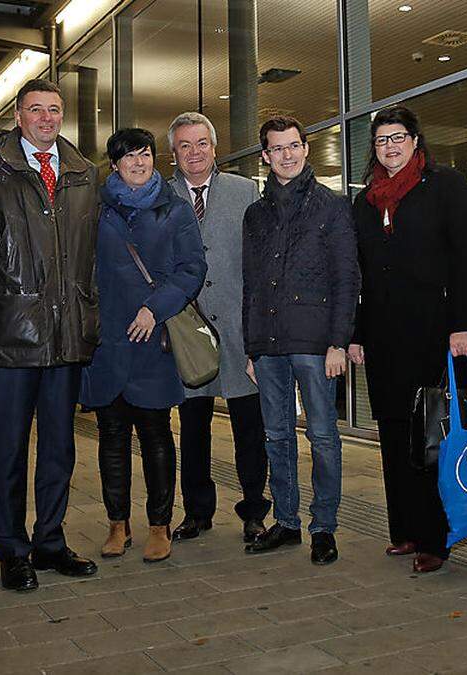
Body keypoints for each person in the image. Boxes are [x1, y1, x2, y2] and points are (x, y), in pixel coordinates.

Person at [0, 79, 100, 592]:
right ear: (18, 116)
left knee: (59, 447)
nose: (45, 119)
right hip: (11, 335)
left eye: (54, 110)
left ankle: (51, 541)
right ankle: (11, 550)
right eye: (35, 110)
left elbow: (91, 256)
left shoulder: (84, 174)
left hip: (66, 337)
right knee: (8, 450)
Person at [347, 105, 467, 574]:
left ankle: (436, 538)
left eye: (398, 137)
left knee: (432, 434)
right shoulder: (365, 202)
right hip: (384, 336)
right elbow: (358, 276)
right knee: (392, 432)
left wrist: (465, 323)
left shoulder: (445, 187)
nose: (390, 146)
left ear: (415, 139)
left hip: (435, 332)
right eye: (381, 140)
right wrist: (356, 335)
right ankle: (404, 530)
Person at [81, 128, 206, 563]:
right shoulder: (95, 208)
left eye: (146, 154)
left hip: (154, 339)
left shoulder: (175, 209)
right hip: (108, 342)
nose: (139, 162)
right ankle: (118, 525)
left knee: (156, 435)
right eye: (129, 156)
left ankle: (159, 525)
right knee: (111, 437)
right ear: (113, 163)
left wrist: (156, 308)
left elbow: (192, 269)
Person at [241, 115, 359, 565]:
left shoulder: (332, 206)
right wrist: (251, 345)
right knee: (276, 436)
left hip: (314, 345)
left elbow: (347, 278)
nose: (287, 155)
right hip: (268, 343)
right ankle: (287, 522)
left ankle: (323, 527)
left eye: (294, 145)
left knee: (324, 436)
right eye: (277, 148)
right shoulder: (256, 213)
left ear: (306, 148)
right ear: (265, 156)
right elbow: (250, 281)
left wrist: (337, 342)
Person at [166, 112, 270, 544]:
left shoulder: (245, 192)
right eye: (184, 146)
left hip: (239, 328)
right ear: (173, 153)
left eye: (201, 144)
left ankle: (253, 511)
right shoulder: (162, 196)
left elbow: (262, 264)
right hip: (187, 331)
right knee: (193, 427)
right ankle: (197, 511)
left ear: (215, 148)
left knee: (250, 426)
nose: (194, 153)